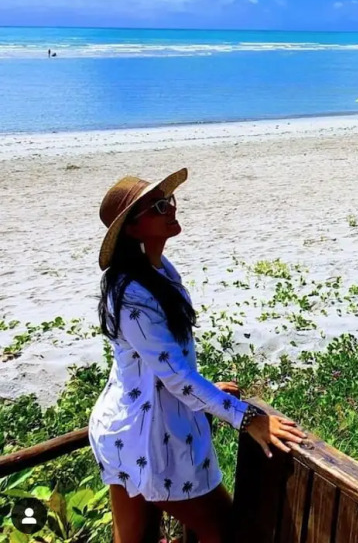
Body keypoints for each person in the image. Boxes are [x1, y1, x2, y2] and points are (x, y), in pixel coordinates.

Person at [89, 169, 306, 543]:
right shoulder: (131, 295)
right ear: (133, 229)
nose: (171, 208)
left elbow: (162, 366)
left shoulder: (158, 270)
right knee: (227, 533)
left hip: (134, 426)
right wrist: (248, 419)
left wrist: (206, 393)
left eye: (168, 200)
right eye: (158, 207)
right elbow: (176, 377)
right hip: (146, 436)